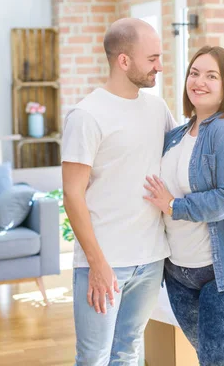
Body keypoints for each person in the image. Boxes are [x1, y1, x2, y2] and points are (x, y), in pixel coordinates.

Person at [143, 45, 224, 365]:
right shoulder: (176, 135)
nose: (199, 81)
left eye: (211, 76)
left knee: (217, 362)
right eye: (194, 73)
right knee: (210, 360)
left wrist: (175, 206)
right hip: (179, 275)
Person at [61, 18, 176, 365]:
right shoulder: (86, 115)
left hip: (151, 257)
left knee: (128, 351)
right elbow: (72, 195)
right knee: (94, 357)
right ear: (124, 61)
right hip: (104, 263)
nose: (160, 66)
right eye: (152, 58)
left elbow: (179, 162)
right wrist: (97, 264)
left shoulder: (158, 109)